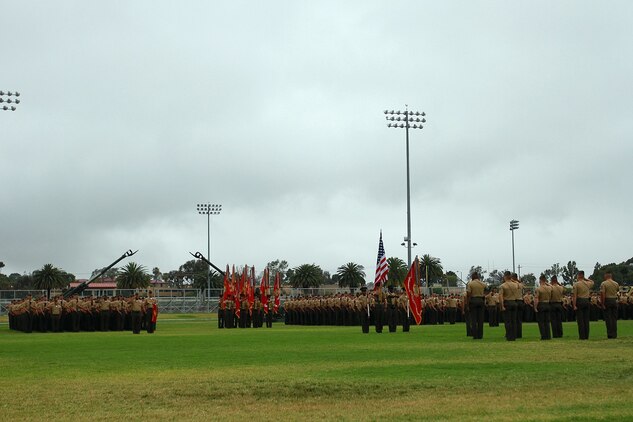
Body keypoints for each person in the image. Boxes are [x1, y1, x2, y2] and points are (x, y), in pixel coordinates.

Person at [572, 271, 594, 340]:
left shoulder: (576, 284)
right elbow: (593, 282)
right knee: (586, 320)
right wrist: (585, 278)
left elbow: (574, 296)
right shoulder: (588, 283)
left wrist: (574, 305)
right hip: (587, 301)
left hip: (580, 301)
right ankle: (586, 336)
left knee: (580, 320)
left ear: (578, 276)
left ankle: (582, 336)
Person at [465, 272, 486, 339]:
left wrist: (467, 305)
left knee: (473, 319)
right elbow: (486, 292)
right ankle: (480, 335)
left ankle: (475, 335)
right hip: (481, 300)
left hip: (473, 300)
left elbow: (468, 295)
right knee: (480, 319)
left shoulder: (470, 284)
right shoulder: (483, 284)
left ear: (472, 277)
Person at [499, 271, 518, 341]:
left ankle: (509, 336)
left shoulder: (503, 286)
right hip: (514, 302)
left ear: (505, 276)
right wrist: (512, 280)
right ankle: (514, 336)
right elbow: (520, 284)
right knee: (514, 321)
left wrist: (502, 306)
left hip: (507, 303)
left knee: (508, 321)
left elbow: (500, 297)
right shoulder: (515, 285)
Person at [600, 271, 620, 339]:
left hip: (607, 300)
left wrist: (602, 303)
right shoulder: (616, 283)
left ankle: (610, 334)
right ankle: (614, 334)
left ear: (606, 276)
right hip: (614, 300)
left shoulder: (604, 283)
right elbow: (617, 291)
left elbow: (603, 294)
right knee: (614, 318)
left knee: (608, 318)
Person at [534, 275, 552, 340]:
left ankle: (543, 336)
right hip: (547, 304)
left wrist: (535, 307)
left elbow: (536, 299)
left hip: (541, 304)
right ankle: (548, 336)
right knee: (547, 321)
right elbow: (551, 286)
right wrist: (546, 283)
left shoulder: (538, 289)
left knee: (541, 322)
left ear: (540, 280)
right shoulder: (549, 288)